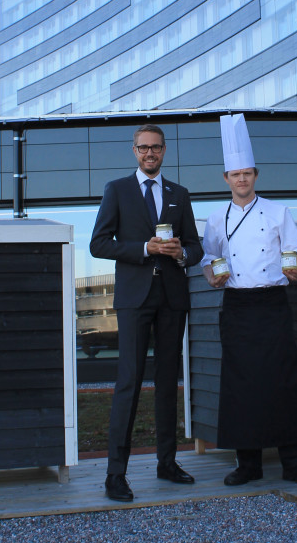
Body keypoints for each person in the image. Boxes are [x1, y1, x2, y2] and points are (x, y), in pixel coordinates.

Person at [201, 114, 297, 487]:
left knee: (285, 381)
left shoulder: (277, 211)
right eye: (235, 174)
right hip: (237, 306)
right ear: (226, 178)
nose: (242, 179)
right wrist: (214, 277)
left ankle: (295, 464)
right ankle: (247, 464)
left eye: (248, 173)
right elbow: (209, 259)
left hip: (273, 304)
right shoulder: (216, 217)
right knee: (241, 385)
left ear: (255, 175)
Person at [90, 123, 202, 502]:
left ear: (165, 150)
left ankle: (166, 463)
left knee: (169, 381)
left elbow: (195, 247)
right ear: (134, 151)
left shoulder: (179, 194)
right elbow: (98, 244)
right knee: (129, 381)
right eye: (143, 148)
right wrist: (144, 249)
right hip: (134, 298)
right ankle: (115, 474)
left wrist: (181, 254)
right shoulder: (117, 190)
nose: (149, 153)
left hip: (172, 297)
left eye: (155, 147)